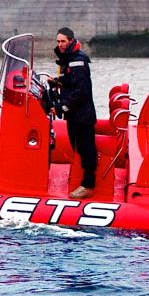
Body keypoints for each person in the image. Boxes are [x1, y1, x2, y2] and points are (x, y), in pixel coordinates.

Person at [54, 26, 98, 199]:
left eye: (63, 41)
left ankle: (88, 185)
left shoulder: (77, 60)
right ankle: (82, 181)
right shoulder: (70, 58)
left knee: (86, 148)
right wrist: (57, 82)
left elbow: (80, 90)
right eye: (58, 41)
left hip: (82, 114)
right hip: (75, 113)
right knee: (78, 146)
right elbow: (71, 80)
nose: (60, 44)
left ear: (71, 41)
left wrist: (62, 107)